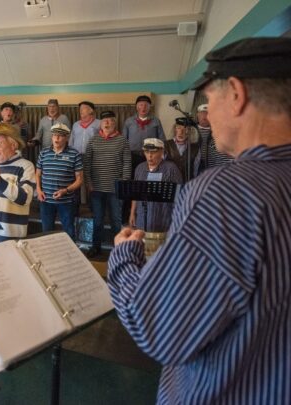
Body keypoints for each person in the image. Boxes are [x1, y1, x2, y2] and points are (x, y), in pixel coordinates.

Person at [107, 37, 291, 404]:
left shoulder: (226, 191)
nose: (205, 118)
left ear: (236, 94)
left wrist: (125, 256)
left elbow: (157, 327)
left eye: (208, 103)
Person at [83, 111, 131, 258]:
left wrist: (123, 184)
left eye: (110, 120)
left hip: (115, 189)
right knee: (97, 220)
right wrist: (88, 182)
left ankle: (118, 249)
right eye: (105, 121)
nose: (107, 123)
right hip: (96, 188)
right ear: (101, 124)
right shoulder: (93, 140)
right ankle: (96, 247)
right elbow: (87, 163)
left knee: (116, 221)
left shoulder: (122, 140)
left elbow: (127, 163)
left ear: (115, 123)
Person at [35, 123, 83, 240]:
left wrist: (66, 190)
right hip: (46, 200)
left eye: (60, 136)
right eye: (54, 135)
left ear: (66, 138)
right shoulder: (44, 153)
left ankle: (71, 255)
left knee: (68, 230)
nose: (56, 138)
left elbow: (80, 180)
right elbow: (37, 173)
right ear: (51, 137)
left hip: (66, 201)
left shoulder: (74, 154)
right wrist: (38, 189)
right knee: (46, 231)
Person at [128, 138, 182, 232]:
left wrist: (177, 219)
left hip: (163, 218)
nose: (150, 155)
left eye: (153, 152)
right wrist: (132, 213)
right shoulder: (140, 168)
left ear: (161, 152)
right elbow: (135, 194)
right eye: (147, 152)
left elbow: (179, 196)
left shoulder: (171, 169)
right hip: (142, 218)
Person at [122, 95, 165, 172]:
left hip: (151, 155)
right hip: (132, 155)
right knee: (134, 176)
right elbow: (123, 140)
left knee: (150, 176)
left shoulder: (156, 121)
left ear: (149, 107)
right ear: (136, 106)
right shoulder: (129, 121)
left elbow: (162, 139)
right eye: (141, 105)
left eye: (146, 105)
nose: (143, 107)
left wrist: (161, 154)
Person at [196, 104, 233, 172]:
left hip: (214, 169)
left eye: (208, 113)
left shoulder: (219, 131)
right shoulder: (191, 130)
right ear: (197, 115)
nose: (205, 116)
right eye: (202, 113)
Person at [164, 117, 200, 182]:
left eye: (186, 129)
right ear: (175, 129)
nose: (181, 132)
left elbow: (195, 170)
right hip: (170, 183)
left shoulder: (195, 148)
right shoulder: (166, 145)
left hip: (187, 184)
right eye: (179, 128)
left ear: (191, 132)